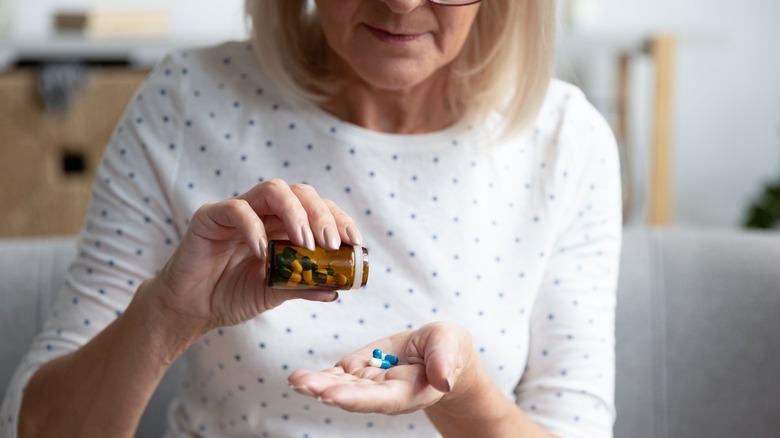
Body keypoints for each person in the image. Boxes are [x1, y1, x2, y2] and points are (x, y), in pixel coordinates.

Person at [1, 0, 623, 437]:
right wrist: (167, 313)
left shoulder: (567, 141)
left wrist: (461, 393)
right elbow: (31, 430)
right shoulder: (186, 102)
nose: (402, 3)